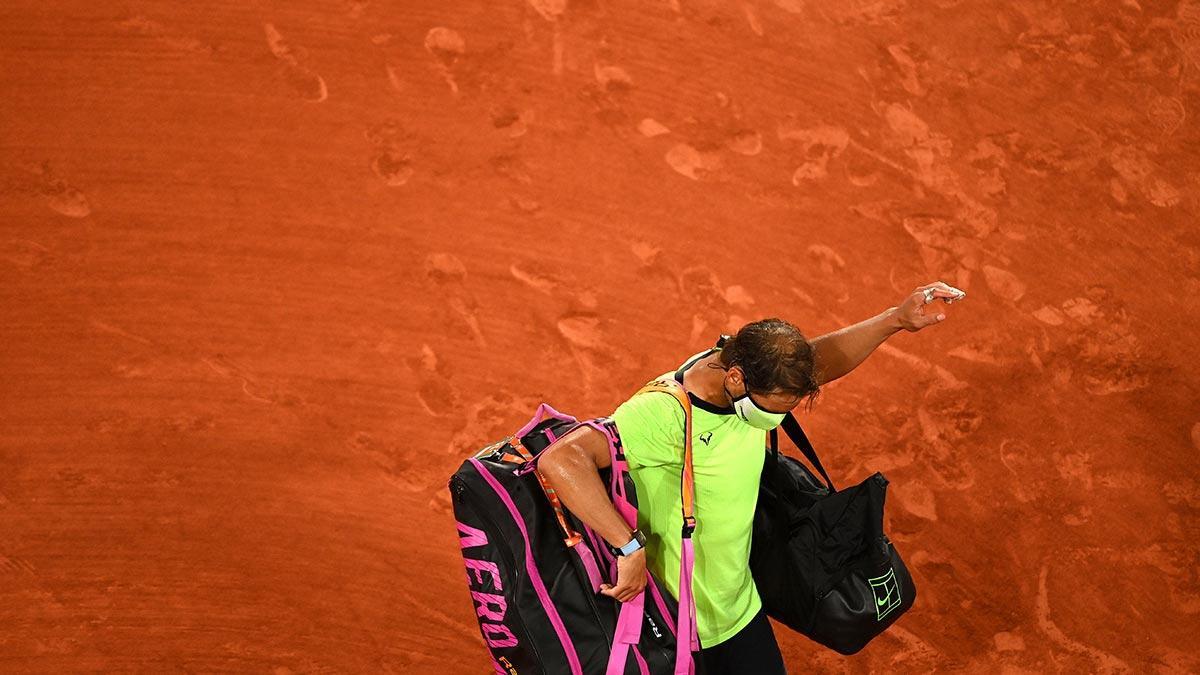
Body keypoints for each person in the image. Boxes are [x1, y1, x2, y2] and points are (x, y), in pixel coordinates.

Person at [538, 281, 965, 674]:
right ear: (736, 377)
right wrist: (628, 546)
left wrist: (895, 319)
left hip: (739, 606)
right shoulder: (662, 413)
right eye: (773, 406)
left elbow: (823, 361)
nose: (776, 418)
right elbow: (562, 459)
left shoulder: (753, 373)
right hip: (678, 623)